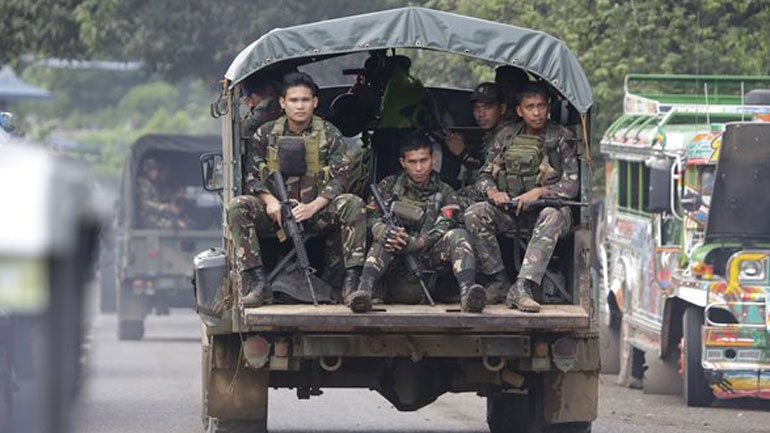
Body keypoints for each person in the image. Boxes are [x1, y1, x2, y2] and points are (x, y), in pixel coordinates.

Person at [228, 72, 366, 307]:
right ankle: (258, 284)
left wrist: (313, 207)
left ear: (315, 102)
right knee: (238, 206)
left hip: (315, 211)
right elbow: (251, 175)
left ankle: (350, 287)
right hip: (276, 214)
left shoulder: (330, 134)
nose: (299, 106)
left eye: (305, 100)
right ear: (282, 103)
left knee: (353, 203)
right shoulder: (265, 133)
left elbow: (340, 178)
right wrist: (270, 201)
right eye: (293, 100)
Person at [464, 82, 578, 312]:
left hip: (546, 214)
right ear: (519, 111)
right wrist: (493, 192)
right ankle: (498, 280)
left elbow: (572, 185)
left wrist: (542, 192)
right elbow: (483, 175)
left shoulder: (561, 138)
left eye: (541, 106)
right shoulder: (506, 136)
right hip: (512, 212)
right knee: (474, 213)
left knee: (552, 215)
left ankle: (522, 287)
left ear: (548, 108)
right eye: (530, 107)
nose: (536, 113)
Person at [345, 132, 486, 314]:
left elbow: (446, 224)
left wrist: (418, 242)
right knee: (385, 239)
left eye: (423, 160)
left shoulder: (445, 191)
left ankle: (468, 294)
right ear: (403, 162)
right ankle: (364, 292)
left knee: (459, 235)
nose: (419, 168)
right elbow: (369, 217)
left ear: (433, 159)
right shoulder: (387, 186)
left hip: (429, 261)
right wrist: (383, 231)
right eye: (412, 162)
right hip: (393, 262)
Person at [443, 82, 513, 210]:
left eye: (488, 107)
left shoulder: (507, 135)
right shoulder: (493, 134)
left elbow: (484, 175)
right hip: (493, 191)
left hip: (502, 195)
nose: (481, 114)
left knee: (448, 200)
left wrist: (462, 153)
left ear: (502, 109)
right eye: (477, 108)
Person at [137, 158, 186, 229]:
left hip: (157, 217)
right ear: (147, 171)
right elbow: (145, 203)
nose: (155, 173)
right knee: (178, 225)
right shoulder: (142, 183)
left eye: (156, 170)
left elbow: (162, 198)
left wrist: (174, 198)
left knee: (184, 222)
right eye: (153, 170)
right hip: (148, 218)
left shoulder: (154, 184)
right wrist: (166, 207)